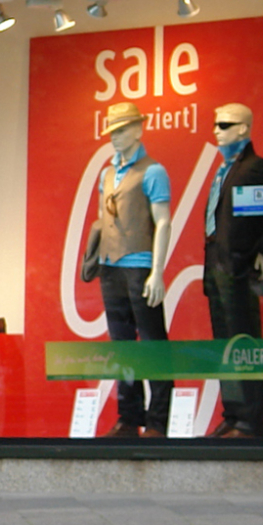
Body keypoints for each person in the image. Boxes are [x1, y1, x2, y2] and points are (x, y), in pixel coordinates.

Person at [81, 102, 173, 439]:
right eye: (111, 132)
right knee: (122, 345)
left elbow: (163, 222)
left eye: (121, 130)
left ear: (138, 129)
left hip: (139, 266)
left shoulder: (153, 171)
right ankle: (129, 417)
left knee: (152, 343)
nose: (115, 138)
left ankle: (158, 421)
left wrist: (158, 272)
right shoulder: (108, 173)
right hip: (111, 267)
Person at [201, 101, 263, 439]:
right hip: (217, 264)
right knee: (223, 343)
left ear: (244, 129)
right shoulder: (225, 170)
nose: (218, 130)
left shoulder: (255, 168)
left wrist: (261, 252)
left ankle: (248, 420)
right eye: (217, 124)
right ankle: (233, 413)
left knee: (243, 340)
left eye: (226, 124)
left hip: (238, 265)